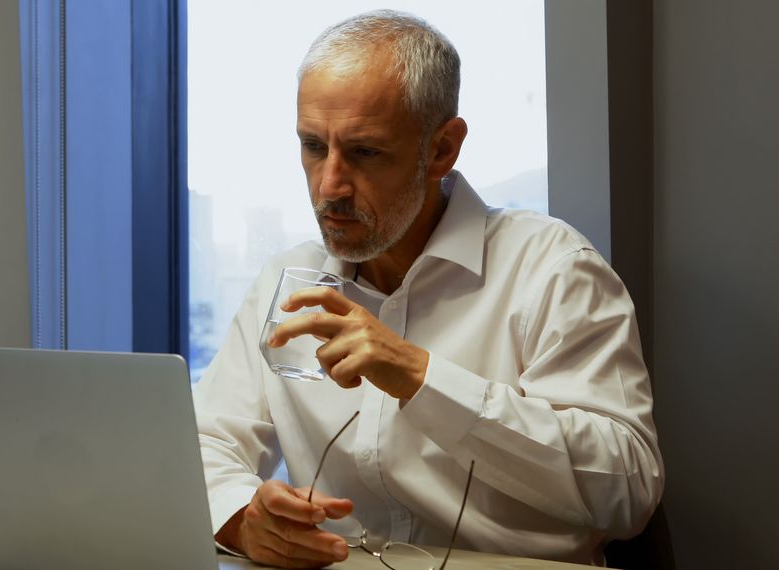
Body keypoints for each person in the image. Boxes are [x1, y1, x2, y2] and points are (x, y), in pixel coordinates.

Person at [192, 9, 664, 568]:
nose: (329, 185)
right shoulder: (285, 280)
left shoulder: (552, 269)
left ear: (442, 149)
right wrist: (245, 521)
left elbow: (628, 488)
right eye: (314, 146)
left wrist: (421, 378)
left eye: (365, 152)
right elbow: (202, 445)